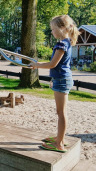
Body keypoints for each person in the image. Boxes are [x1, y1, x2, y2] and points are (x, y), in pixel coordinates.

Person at [30, 15, 80, 153]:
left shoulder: (61, 44)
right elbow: (54, 63)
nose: (52, 31)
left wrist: (37, 65)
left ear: (62, 28)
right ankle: (60, 138)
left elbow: (53, 64)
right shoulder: (67, 42)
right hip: (62, 79)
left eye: (53, 29)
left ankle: (59, 144)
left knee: (61, 113)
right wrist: (37, 64)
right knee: (61, 112)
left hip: (61, 80)